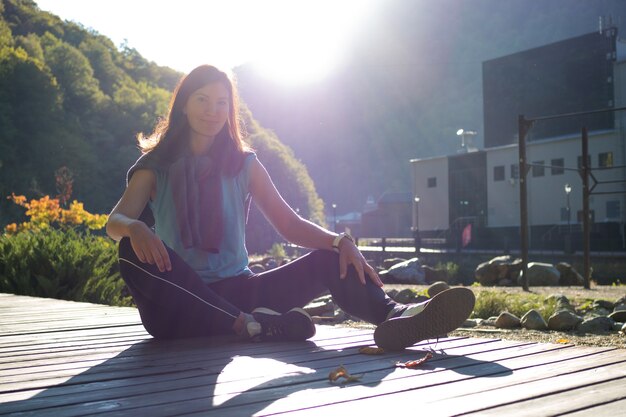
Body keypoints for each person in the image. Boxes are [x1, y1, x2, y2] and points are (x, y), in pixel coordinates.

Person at [106, 64, 475, 351]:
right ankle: (250, 325)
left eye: (221, 103)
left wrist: (339, 241)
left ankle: (395, 316)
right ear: (184, 104)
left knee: (332, 256)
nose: (212, 111)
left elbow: (289, 224)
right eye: (202, 100)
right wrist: (136, 227)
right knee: (128, 251)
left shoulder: (243, 163)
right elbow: (116, 221)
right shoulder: (156, 165)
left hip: (240, 292)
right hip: (179, 304)